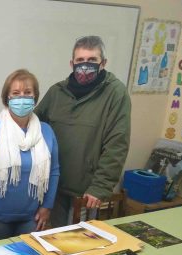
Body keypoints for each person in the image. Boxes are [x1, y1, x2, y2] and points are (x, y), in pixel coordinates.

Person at [34, 35, 131, 227]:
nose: (85, 66)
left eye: (92, 60)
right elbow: (33, 125)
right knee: (49, 237)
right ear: (72, 63)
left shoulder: (115, 93)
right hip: (52, 184)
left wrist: (100, 186)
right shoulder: (57, 92)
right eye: (80, 60)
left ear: (103, 63)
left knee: (77, 241)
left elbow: (117, 143)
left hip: (86, 190)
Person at [0, 69, 60, 241]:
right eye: (16, 94)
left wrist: (47, 206)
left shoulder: (46, 132)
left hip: (31, 216)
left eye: (27, 93)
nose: (22, 98)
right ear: (7, 98)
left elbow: (54, 171)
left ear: (35, 98)